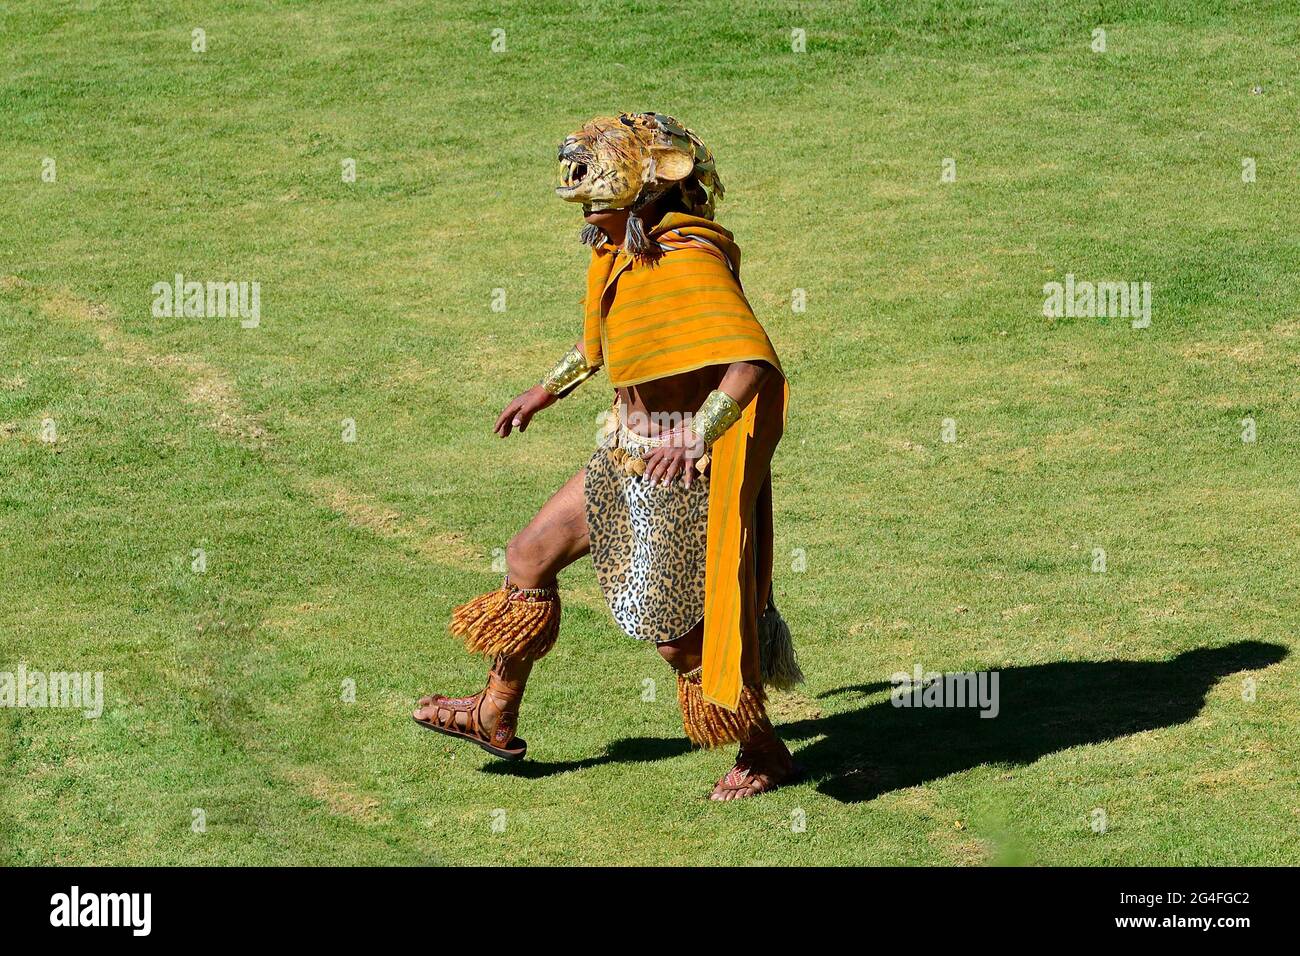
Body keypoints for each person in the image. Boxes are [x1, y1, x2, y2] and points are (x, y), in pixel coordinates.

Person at [413, 112, 802, 799]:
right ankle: (494, 713)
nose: (587, 212)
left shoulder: (688, 256)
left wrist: (698, 432)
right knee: (528, 556)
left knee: (678, 643)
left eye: (598, 197)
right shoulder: (620, 250)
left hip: (678, 471)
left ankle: (763, 751)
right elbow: (605, 341)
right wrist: (546, 389)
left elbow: (751, 360)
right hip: (622, 451)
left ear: (645, 189)